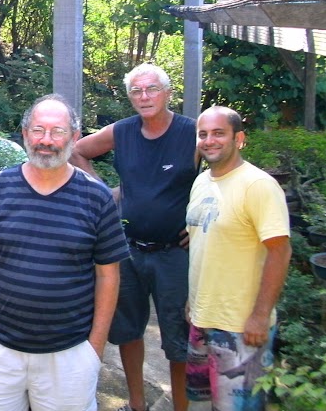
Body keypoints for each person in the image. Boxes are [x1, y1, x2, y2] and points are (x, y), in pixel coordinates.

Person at [0, 93, 130, 410]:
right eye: (38, 130)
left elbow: (109, 275)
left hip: (70, 356)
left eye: (57, 131)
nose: (46, 140)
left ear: (75, 137)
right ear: (25, 134)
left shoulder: (97, 197)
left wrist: (95, 347)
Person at [72, 64, 198, 411]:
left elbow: (223, 172)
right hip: (126, 249)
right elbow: (76, 151)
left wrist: (203, 223)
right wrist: (104, 191)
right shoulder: (123, 131)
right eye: (137, 91)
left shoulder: (192, 132)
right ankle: (137, 404)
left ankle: (181, 407)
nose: (145, 97)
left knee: (177, 338)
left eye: (152, 89)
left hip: (175, 252)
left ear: (168, 92)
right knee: (127, 331)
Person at [185, 106, 291, 410]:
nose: (209, 140)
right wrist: (193, 300)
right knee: (200, 403)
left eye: (219, 133)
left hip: (241, 327)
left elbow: (280, 252)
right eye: (203, 134)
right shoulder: (202, 181)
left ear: (239, 138)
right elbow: (204, 244)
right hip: (202, 319)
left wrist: (260, 315)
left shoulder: (258, 186)